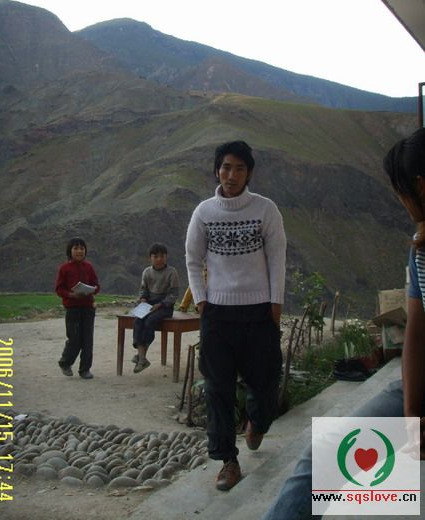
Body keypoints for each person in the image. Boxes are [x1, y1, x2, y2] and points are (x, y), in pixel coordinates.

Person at [262, 127, 425, 520]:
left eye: (401, 193)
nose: (402, 203)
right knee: (324, 456)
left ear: (420, 187)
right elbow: (417, 336)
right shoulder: (420, 250)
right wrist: (411, 418)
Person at [185, 140, 286, 491]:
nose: (231, 175)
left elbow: (277, 259)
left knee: (266, 381)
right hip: (218, 315)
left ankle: (257, 423)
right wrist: (202, 302)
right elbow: (192, 260)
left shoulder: (266, 209)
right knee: (218, 389)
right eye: (226, 167)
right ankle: (228, 459)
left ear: (249, 173)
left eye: (239, 168)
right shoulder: (204, 212)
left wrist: (275, 305)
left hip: (259, 312)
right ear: (217, 171)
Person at [55, 237, 100, 379]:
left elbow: (97, 285)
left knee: (87, 340)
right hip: (72, 309)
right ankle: (65, 362)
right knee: (74, 339)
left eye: (81, 248)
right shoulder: (64, 268)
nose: (79, 251)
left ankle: (85, 369)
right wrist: (71, 295)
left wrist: (92, 290)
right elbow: (59, 289)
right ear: (70, 251)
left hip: (88, 308)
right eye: (76, 248)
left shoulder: (89, 267)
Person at [133, 243, 179, 373]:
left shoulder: (172, 272)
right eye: (156, 256)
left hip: (165, 306)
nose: (159, 259)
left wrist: (160, 304)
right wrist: (143, 299)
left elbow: (173, 294)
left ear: (166, 257)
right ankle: (142, 357)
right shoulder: (147, 272)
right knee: (138, 320)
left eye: (162, 256)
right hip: (149, 303)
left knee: (150, 321)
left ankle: (141, 357)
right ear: (150, 258)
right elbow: (143, 289)